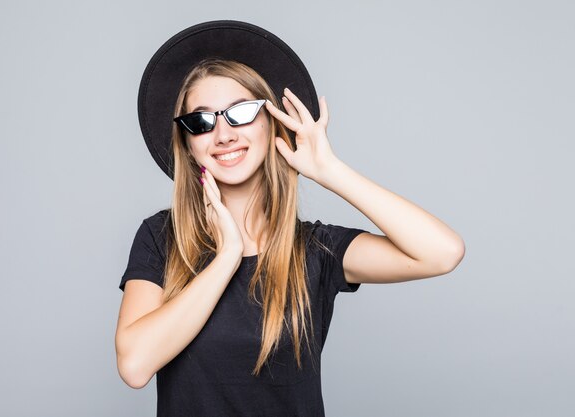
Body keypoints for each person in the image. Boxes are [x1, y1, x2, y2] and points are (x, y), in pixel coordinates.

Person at [115, 20, 465, 417]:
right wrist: (228, 255)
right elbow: (134, 365)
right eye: (202, 121)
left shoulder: (315, 250)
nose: (224, 134)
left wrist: (330, 170)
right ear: (188, 143)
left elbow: (443, 252)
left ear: (271, 122)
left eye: (241, 112)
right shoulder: (161, 238)